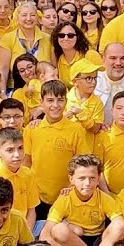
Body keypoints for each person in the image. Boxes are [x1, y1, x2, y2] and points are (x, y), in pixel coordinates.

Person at [24, 80, 91, 209]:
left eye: (60, 100)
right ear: (41, 102)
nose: (55, 105)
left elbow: (82, 163)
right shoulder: (31, 129)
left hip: (67, 195)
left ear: (66, 102)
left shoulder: (76, 129)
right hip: (37, 196)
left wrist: (71, 187)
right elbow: (26, 162)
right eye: (50, 100)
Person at [0, 127, 39, 229]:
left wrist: (26, 234)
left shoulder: (28, 174)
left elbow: (31, 209)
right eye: (10, 150)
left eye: (20, 148)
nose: (17, 155)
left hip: (24, 227)